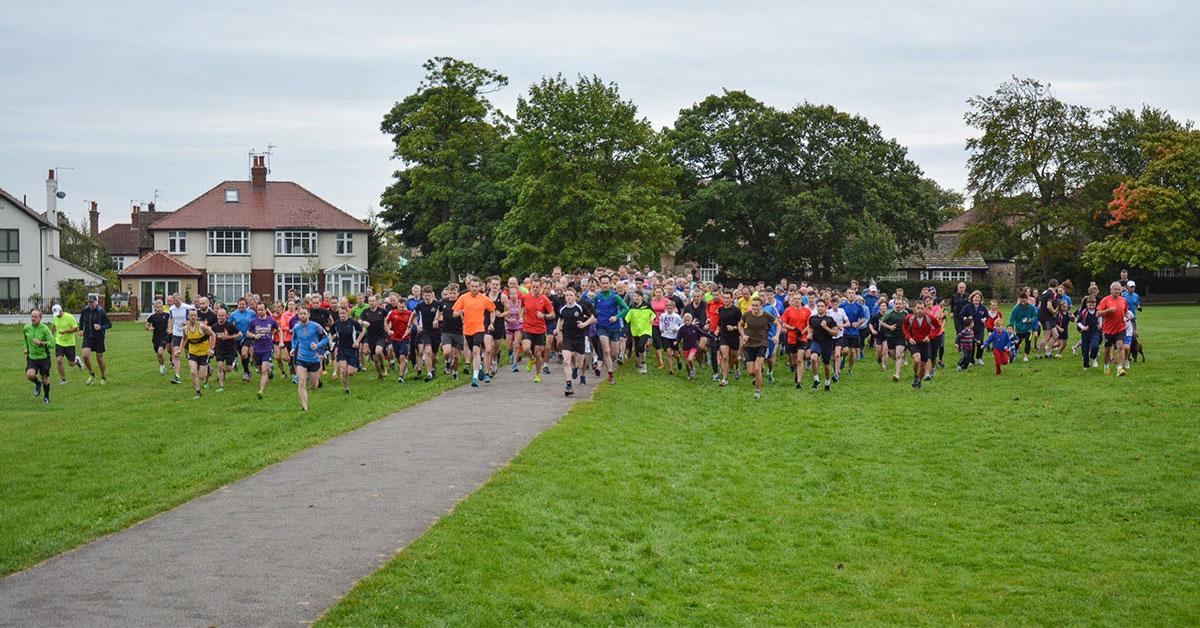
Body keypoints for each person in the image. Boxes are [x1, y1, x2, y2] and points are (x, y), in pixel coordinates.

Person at [452, 278, 497, 387]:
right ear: (469, 287)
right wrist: (459, 313)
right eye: (472, 286)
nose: (474, 288)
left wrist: (491, 323)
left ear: (480, 287)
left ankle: (475, 377)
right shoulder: (463, 298)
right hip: (467, 330)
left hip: (479, 328)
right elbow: (454, 313)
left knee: (476, 350)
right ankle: (480, 366)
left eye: (477, 286)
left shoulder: (483, 298)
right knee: (473, 352)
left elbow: (492, 310)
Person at [556, 286, 596, 396]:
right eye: (567, 295)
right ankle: (568, 384)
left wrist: (584, 324)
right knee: (566, 361)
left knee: (579, 363)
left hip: (579, 338)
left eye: (571, 295)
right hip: (567, 338)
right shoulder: (563, 309)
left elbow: (592, 318)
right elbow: (560, 319)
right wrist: (557, 329)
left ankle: (576, 369)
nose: (568, 298)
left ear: (575, 297)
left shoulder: (580, 307)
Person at [291, 307, 331, 411]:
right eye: (300, 314)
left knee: (313, 386)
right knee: (302, 382)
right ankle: (305, 407)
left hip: (314, 359)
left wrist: (317, 345)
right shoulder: (296, 327)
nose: (302, 315)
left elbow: (326, 338)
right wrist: (293, 348)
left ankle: (317, 381)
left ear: (309, 315)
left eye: (304, 313)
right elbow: (294, 339)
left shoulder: (316, 326)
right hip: (301, 358)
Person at [591, 275, 629, 385]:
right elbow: (592, 310)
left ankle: (606, 364)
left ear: (610, 284)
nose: (605, 285)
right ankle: (610, 375)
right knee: (606, 350)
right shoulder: (596, 297)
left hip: (614, 328)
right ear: (600, 284)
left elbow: (626, 309)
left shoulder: (615, 297)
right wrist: (594, 319)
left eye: (606, 283)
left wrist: (616, 317)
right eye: (602, 283)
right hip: (602, 327)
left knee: (613, 354)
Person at [739, 297, 776, 399]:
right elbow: (740, 325)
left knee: (756, 369)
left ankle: (757, 391)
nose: (755, 307)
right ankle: (758, 374)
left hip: (762, 344)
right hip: (749, 345)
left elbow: (778, 324)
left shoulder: (766, 315)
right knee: (751, 371)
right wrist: (743, 335)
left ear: (761, 306)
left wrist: (776, 336)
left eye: (757, 305)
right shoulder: (747, 315)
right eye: (753, 305)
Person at [518, 281, 555, 382]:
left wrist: (544, 316)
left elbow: (553, 314)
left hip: (540, 329)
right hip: (527, 327)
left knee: (538, 353)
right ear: (531, 287)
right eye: (533, 287)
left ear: (541, 288)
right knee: (526, 349)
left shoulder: (545, 299)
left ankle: (537, 375)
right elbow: (521, 307)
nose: (535, 289)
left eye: (537, 287)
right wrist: (521, 316)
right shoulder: (525, 297)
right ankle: (531, 359)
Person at [902, 299, 941, 389]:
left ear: (925, 309)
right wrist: (909, 337)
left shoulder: (929, 318)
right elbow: (904, 327)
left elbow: (938, 327)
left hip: (925, 343)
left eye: (922, 308)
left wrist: (929, 336)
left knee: (923, 365)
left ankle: (919, 381)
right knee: (916, 359)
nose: (920, 310)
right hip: (914, 342)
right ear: (914, 309)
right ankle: (916, 375)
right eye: (918, 308)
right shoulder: (909, 318)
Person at [247, 302, 281, 399]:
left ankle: (261, 391)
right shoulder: (253, 321)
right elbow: (248, 333)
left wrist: (281, 341)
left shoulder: (271, 320)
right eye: (259, 310)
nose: (260, 311)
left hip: (267, 349)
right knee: (262, 370)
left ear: (266, 310)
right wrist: (254, 335)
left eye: (262, 309)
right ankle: (269, 370)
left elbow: (279, 330)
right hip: (257, 349)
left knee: (264, 371)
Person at [1097, 281, 1130, 376]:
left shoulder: (1124, 300)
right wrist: (1108, 310)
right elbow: (1098, 313)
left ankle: (1120, 368)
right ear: (1111, 290)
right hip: (1108, 330)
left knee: (1120, 346)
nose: (1117, 291)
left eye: (1119, 289)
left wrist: (1126, 315)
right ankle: (1106, 366)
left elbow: (1125, 312)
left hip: (1120, 328)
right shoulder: (1105, 300)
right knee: (1107, 350)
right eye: (1115, 289)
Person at [779, 294, 811, 388]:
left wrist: (802, 332)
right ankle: (796, 370)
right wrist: (793, 329)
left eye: (798, 299)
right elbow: (783, 324)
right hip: (791, 337)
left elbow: (809, 324)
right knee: (794, 362)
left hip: (802, 338)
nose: (797, 300)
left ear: (801, 300)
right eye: (795, 299)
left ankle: (799, 382)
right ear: (792, 300)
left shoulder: (806, 311)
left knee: (800, 360)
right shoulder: (788, 310)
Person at [182, 309, 216, 399]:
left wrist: (212, 348)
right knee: (193, 372)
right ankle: (198, 392)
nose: (193, 317)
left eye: (195, 315)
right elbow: (184, 338)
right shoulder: (185, 328)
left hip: (204, 353)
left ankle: (208, 369)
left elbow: (213, 335)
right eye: (191, 315)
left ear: (197, 317)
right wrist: (180, 349)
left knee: (202, 376)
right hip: (192, 353)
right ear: (188, 317)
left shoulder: (202, 327)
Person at [79, 295, 112, 385]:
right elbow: (81, 321)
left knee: (99, 358)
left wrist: (100, 327)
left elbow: (109, 325)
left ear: (96, 302)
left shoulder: (101, 311)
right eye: (89, 302)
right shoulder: (85, 310)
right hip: (88, 336)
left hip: (99, 338)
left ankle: (103, 377)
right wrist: (81, 329)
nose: (91, 304)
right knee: (85, 355)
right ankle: (92, 374)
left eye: (92, 302)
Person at [23, 309, 54, 403]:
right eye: (32, 316)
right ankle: (37, 383)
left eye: (35, 317)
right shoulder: (26, 328)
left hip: (44, 358)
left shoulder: (45, 329)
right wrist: (25, 347)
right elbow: (24, 339)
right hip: (32, 357)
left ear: (40, 318)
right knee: (30, 375)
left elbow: (52, 343)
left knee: (45, 378)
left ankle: (46, 397)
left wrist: (41, 343)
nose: (33, 318)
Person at [807, 299, 839, 392]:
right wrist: (810, 333)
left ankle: (827, 382)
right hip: (816, 342)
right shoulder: (812, 318)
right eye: (818, 306)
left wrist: (826, 327)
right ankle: (816, 380)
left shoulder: (830, 320)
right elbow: (809, 326)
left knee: (826, 365)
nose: (820, 308)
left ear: (825, 308)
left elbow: (835, 333)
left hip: (827, 344)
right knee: (813, 358)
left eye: (822, 306)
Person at [332, 305, 365, 394]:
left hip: (352, 349)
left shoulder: (353, 323)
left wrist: (357, 341)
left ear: (347, 313)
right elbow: (331, 332)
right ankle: (346, 389)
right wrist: (332, 340)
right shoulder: (336, 323)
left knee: (350, 372)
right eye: (340, 314)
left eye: (343, 313)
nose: (342, 315)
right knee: (343, 370)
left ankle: (356, 367)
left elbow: (363, 331)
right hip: (341, 348)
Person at [49, 303, 83, 384]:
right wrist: (51, 336)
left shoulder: (69, 317)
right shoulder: (55, 317)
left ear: (61, 310)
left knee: (71, 363)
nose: (57, 315)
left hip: (70, 343)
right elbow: (53, 327)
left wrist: (66, 331)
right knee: (59, 360)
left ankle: (77, 361)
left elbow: (76, 328)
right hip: (59, 342)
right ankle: (63, 379)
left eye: (58, 313)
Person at [413, 286, 441, 382]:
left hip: (437, 332)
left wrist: (437, 320)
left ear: (432, 295)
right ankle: (429, 373)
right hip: (425, 331)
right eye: (425, 296)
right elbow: (412, 316)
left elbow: (443, 315)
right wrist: (417, 326)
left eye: (429, 296)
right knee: (427, 351)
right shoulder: (420, 306)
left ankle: (433, 367)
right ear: (422, 296)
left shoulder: (437, 304)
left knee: (434, 354)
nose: (427, 298)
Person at [715, 290, 742, 387]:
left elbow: (741, 325)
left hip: (734, 336)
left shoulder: (736, 310)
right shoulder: (721, 309)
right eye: (724, 298)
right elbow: (720, 321)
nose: (726, 300)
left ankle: (737, 367)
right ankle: (724, 379)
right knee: (725, 356)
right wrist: (717, 329)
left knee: (734, 356)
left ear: (732, 299)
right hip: (724, 335)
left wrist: (734, 328)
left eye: (728, 298)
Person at [359, 296, 389, 379]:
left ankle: (383, 366)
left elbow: (389, 318)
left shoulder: (382, 311)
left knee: (378, 351)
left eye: (373, 301)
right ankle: (380, 375)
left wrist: (388, 329)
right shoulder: (366, 311)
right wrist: (363, 322)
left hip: (381, 336)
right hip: (370, 337)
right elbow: (359, 320)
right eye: (370, 301)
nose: (371, 303)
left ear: (376, 301)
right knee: (375, 360)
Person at [211, 308, 241, 391]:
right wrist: (211, 347)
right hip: (219, 348)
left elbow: (239, 334)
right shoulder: (214, 326)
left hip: (230, 349)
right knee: (220, 366)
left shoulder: (230, 326)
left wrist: (228, 337)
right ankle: (221, 386)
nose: (221, 317)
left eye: (222, 316)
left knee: (229, 369)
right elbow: (211, 336)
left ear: (226, 316)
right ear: (217, 316)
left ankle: (234, 363)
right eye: (219, 315)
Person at [384, 298, 413, 383]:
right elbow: (386, 321)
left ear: (405, 306)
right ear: (397, 306)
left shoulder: (409, 313)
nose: (401, 308)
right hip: (395, 338)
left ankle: (401, 377)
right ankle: (403, 365)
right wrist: (388, 330)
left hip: (405, 338)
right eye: (399, 307)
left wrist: (410, 329)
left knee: (402, 356)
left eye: (402, 307)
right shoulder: (392, 313)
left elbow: (412, 323)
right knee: (398, 357)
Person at [879, 298, 908, 382]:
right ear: (894, 304)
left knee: (898, 354)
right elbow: (881, 322)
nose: (898, 305)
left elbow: (908, 324)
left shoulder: (905, 314)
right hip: (891, 337)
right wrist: (890, 327)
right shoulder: (889, 313)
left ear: (903, 305)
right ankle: (899, 360)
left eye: (900, 304)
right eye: (897, 304)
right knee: (893, 354)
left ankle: (897, 374)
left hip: (901, 337)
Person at [166, 294, 193, 384]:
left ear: (181, 299)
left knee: (188, 353)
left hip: (187, 333)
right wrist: (170, 328)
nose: (175, 302)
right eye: (174, 300)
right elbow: (170, 319)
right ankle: (177, 376)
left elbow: (194, 318)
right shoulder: (172, 309)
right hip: (176, 333)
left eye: (177, 300)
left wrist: (188, 322)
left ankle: (195, 370)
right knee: (176, 353)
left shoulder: (188, 308)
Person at [142, 300, 170, 375]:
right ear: (155, 308)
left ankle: (163, 366)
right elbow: (146, 325)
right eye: (157, 307)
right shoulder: (152, 317)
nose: (159, 308)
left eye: (161, 307)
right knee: (158, 354)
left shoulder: (167, 315)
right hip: (156, 338)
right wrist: (149, 328)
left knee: (160, 352)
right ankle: (162, 366)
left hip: (164, 336)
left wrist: (170, 328)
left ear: (163, 307)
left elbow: (171, 322)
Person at [1009, 293, 1038, 362]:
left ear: (1027, 300)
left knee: (1028, 341)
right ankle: (1014, 354)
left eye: (1024, 301)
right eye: (1021, 301)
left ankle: (1025, 356)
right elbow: (1012, 319)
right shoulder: (1015, 308)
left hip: (1028, 328)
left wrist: (1031, 320)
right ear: (1019, 300)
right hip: (1019, 329)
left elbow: (1035, 316)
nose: (1023, 303)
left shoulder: (1032, 307)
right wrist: (1011, 328)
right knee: (1017, 342)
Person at [658, 300, 684, 376]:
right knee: (669, 353)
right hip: (665, 335)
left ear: (673, 308)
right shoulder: (663, 315)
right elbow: (661, 322)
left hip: (674, 336)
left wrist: (677, 329)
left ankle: (678, 359)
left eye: (671, 308)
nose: (669, 310)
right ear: (666, 308)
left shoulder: (676, 316)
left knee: (676, 354)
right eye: (668, 308)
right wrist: (661, 328)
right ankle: (671, 370)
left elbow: (682, 324)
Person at [1076, 296, 1101, 369]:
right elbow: (1078, 322)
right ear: (1087, 304)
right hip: (1085, 333)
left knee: (1095, 345)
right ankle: (1085, 365)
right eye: (1090, 304)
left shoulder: (1097, 311)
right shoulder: (1084, 312)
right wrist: (1083, 327)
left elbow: (1100, 318)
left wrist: (1100, 325)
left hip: (1095, 331)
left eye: (1093, 304)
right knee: (1085, 349)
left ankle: (1093, 357)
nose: (1092, 306)